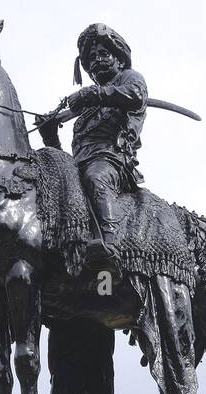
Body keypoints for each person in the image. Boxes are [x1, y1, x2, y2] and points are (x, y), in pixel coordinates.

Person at [38, 23, 148, 268]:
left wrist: (92, 95)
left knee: (95, 178)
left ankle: (110, 243)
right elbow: (68, 153)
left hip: (110, 159)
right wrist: (50, 135)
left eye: (103, 54)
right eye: (91, 58)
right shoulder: (85, 111)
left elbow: (134, 95)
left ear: (119, 59)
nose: (97, 60)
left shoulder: (130, 79)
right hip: (79, 162)